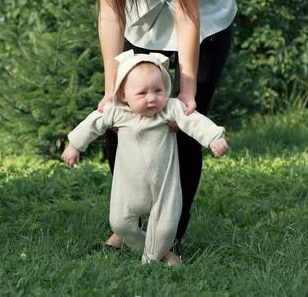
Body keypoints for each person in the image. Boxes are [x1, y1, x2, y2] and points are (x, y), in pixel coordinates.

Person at [91, 0, 237, 256]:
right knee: (123, 121)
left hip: (201, 10)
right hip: (139, 7)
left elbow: (187, 13)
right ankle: (127, 226)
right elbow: (110, 13)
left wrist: (187, 92)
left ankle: (170, 238)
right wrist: (112, 92)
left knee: (184, 128)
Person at [61, 51, 229, 265]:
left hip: (164, 189)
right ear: (123, 95)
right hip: (129, 188)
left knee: (166, 227)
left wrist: (214, 138)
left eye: (158, 90)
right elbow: (93, 123)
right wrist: (74, 145)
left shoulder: (170, 108)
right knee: (120, 223)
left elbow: (193, 121)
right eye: (142, 93)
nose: (152, 98)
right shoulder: (117, 112)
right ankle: (163, 255)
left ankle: (150, 262)